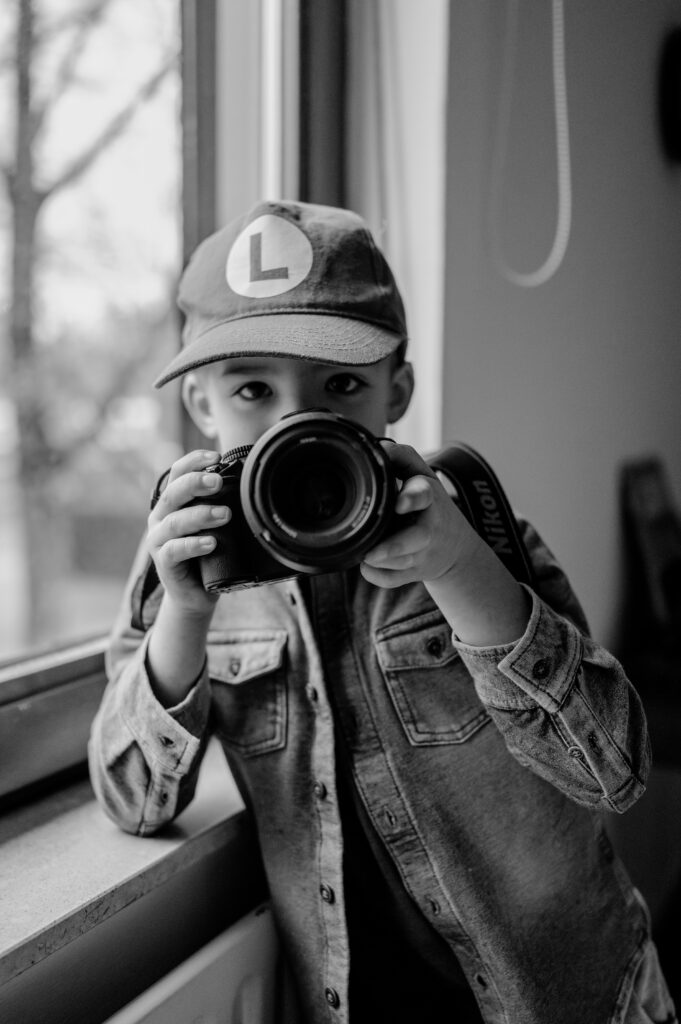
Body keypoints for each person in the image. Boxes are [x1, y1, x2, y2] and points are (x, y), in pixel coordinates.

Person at [88, 199, 675, 1024]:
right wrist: (182, 617)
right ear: (199, 405)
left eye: (342, 386)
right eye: (252, 388)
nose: (297, 423)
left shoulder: (472, 534)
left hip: (568, 999)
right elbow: (131, 798)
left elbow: (612, 771)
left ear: (395, 389)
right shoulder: (189, 565)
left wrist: (461, 570)